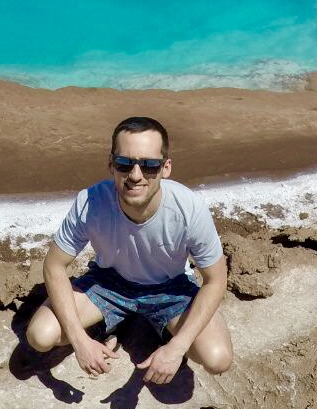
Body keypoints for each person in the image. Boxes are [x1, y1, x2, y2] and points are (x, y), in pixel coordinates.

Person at [26, 116, 233, 384]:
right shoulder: (90, 202)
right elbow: (54, 265)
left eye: (149, 166)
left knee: (217, 359)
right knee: (40, 336)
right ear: (111, 165)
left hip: (170, 287)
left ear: (166, 167)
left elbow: (216, 279)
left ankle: (161, 332)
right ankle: (101, 327)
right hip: (109, 283)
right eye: (125, 164)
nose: (135, 175)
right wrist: (80, 341)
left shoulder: (188, 208)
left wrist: (177, 348)